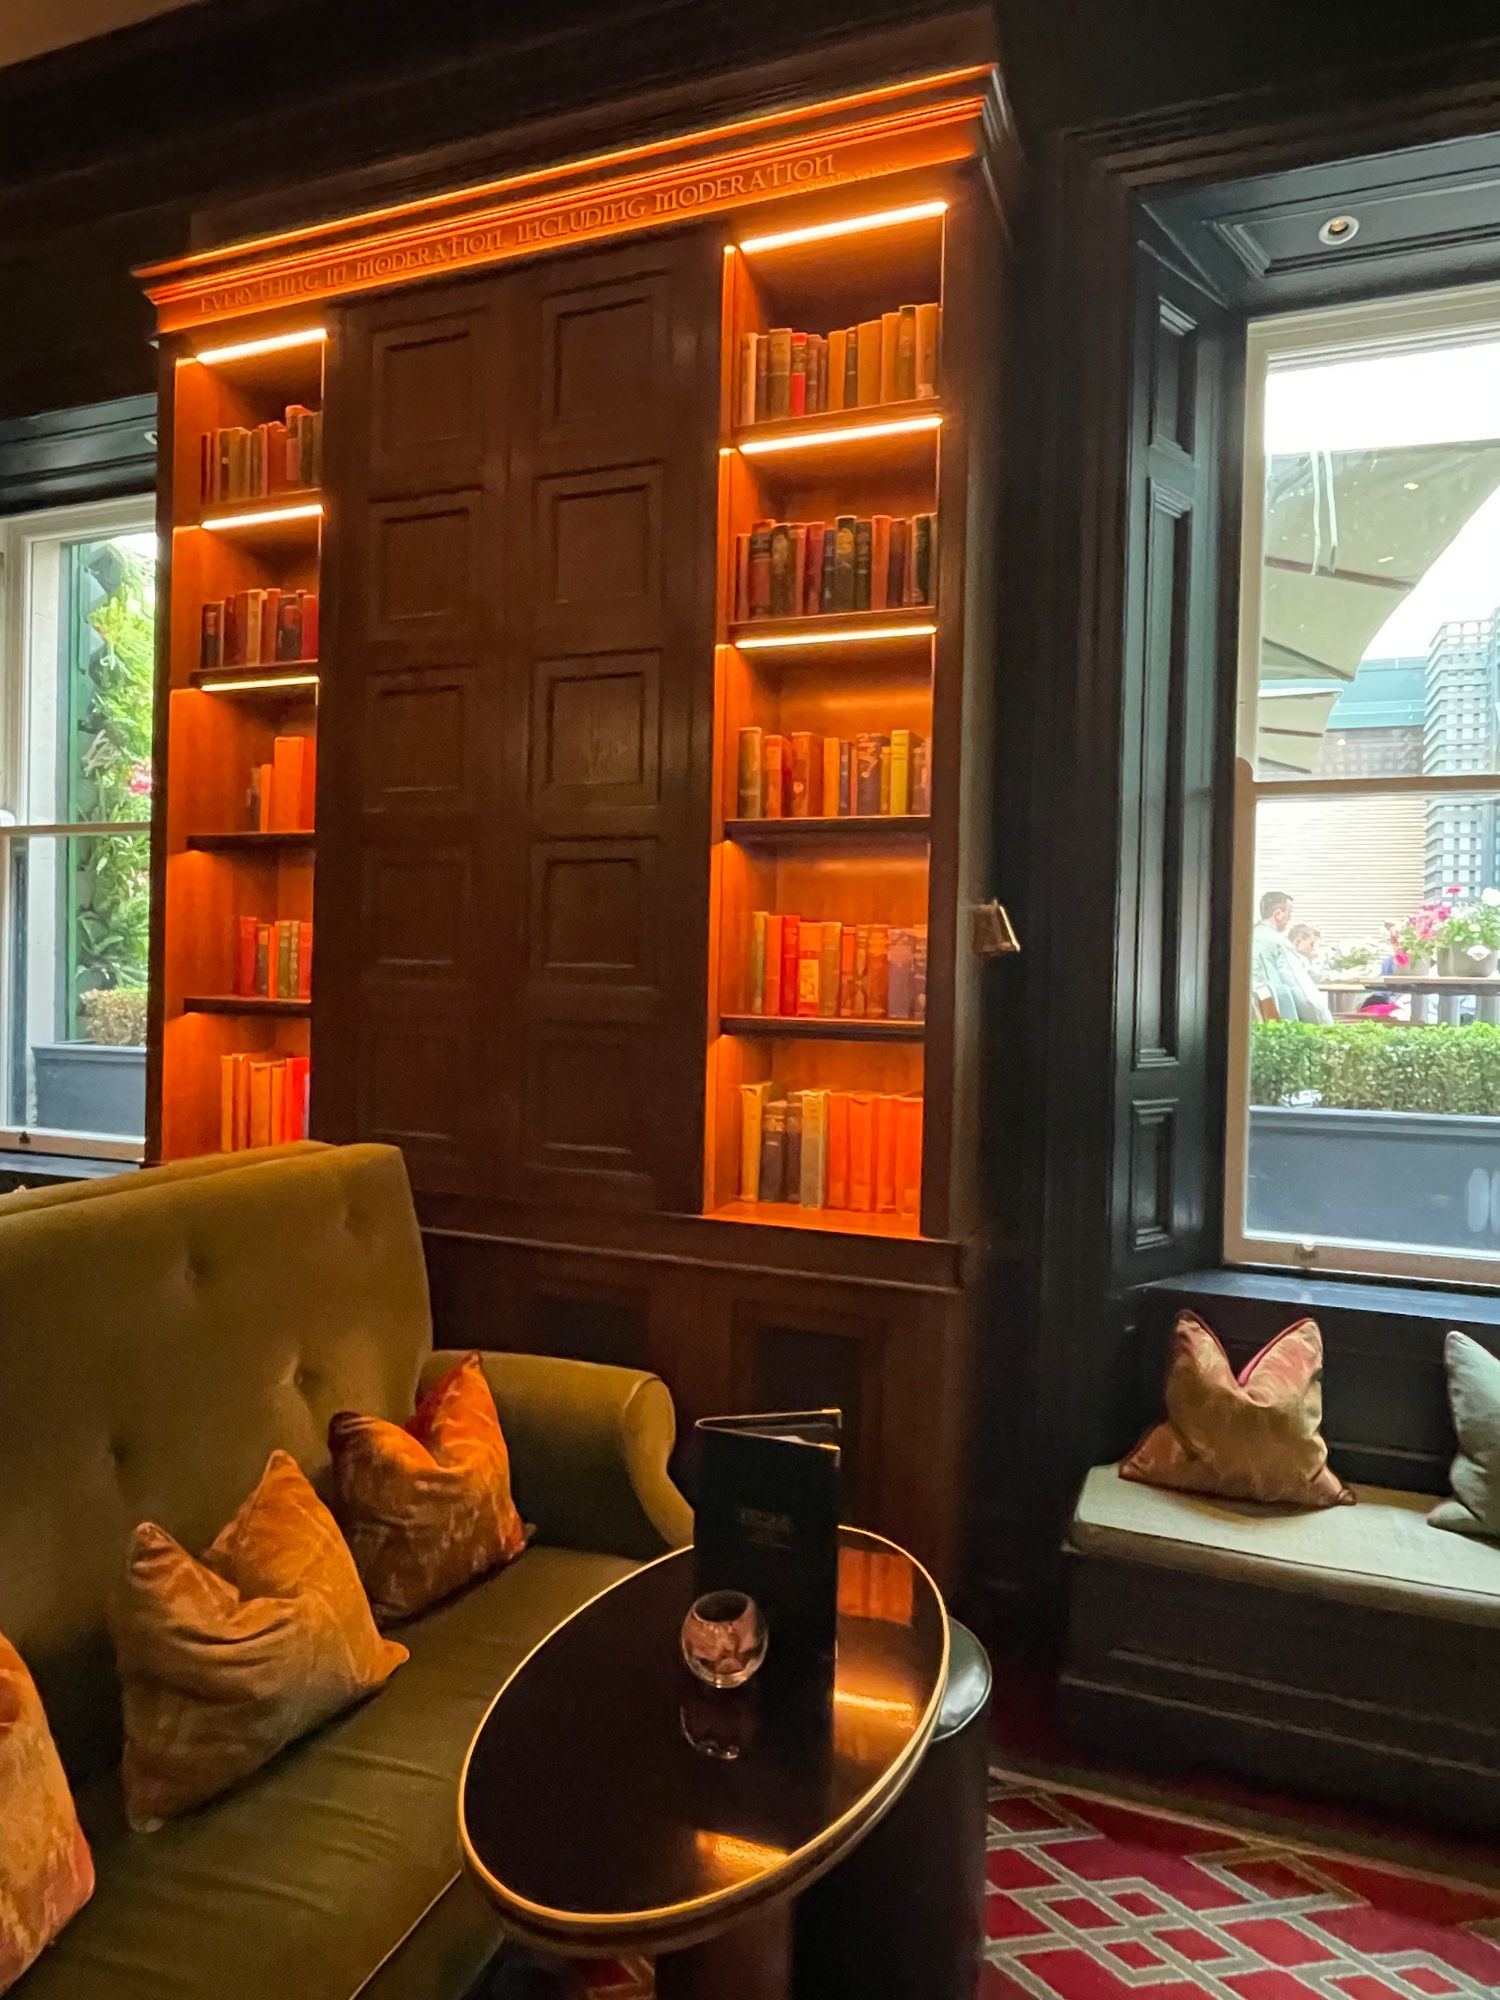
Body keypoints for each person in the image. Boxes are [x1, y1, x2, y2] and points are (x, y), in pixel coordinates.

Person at [1251, 890, 1332, 1023]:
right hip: (1277, 1017)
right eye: (1289, 914)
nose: (1289, 919)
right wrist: (1324, 1022)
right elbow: (1301, 991)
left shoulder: (1247, 938)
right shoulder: (1278, 943)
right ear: (1278, 914)